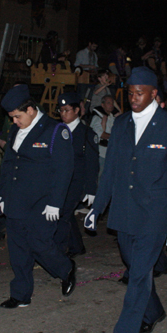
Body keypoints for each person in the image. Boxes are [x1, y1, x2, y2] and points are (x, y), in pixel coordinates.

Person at [84, 67, 167, 333]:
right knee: (134, 264)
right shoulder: (121, 123)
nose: (133, 98)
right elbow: (112, 172)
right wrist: (97, 207)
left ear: (154, 93)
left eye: (139, 92)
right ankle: (153, 311)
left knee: (138, 275)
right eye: (129, 93)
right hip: (125, 211)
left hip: (154, 214)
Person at [0, 84, 77, 308]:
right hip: (16, 200)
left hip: (42, 203)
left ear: (31, 110)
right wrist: (2, 195)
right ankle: (21, 294)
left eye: (17, 116)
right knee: (18, 248)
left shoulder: (54, 130)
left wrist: (55, 203)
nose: (14, 121)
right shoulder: (15, 131)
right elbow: (9, 164)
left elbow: (64, 169)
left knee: (39, 244)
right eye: (12, 117)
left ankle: (66, 268)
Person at [55, 92, 99, 258]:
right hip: (61, 182)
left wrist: (91, 189)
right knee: (65, 214)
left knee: (62, 215)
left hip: (76, 183)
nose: (63, 114)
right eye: (61, 110)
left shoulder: (87, 134)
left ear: (76, 111)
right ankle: (76, 246)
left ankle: (58, 252)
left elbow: (92, 163)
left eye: (67, 110)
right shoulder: (57, 131)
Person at [90, 95, 117, 176]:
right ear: (102, 105)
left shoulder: (112, 118)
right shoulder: (97, 118)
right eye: (108, 103)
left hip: (110, 153)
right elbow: (100, 134)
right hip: (100, 153)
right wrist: (115, 137)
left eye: (112, 103)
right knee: (99, 176)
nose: (111, 105)